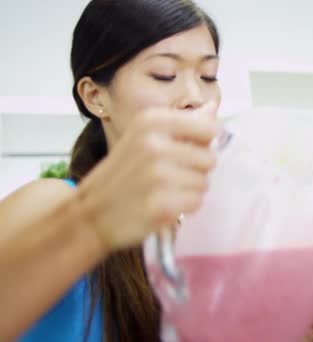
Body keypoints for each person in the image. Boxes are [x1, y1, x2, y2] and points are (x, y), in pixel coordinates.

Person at [0, 0, 222, 341]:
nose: (196, 96)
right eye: (164, 74)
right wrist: (93, 222)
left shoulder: (189, 239)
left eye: (208, 76)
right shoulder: (50, 203)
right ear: (94, 96)